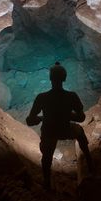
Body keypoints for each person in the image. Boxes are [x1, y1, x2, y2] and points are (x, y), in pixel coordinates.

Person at [26, 61, 92, 189]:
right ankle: (89, 161)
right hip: (65, 130)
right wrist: (67, 115)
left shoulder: (42, 97)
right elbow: (82, 118)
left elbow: (29, 121)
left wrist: (41, 118)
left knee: (46, 157)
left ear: (50, 78)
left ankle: (47, 183)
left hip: (49, 132)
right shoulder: (71, 96)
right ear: (64, 78)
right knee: (80, 131)